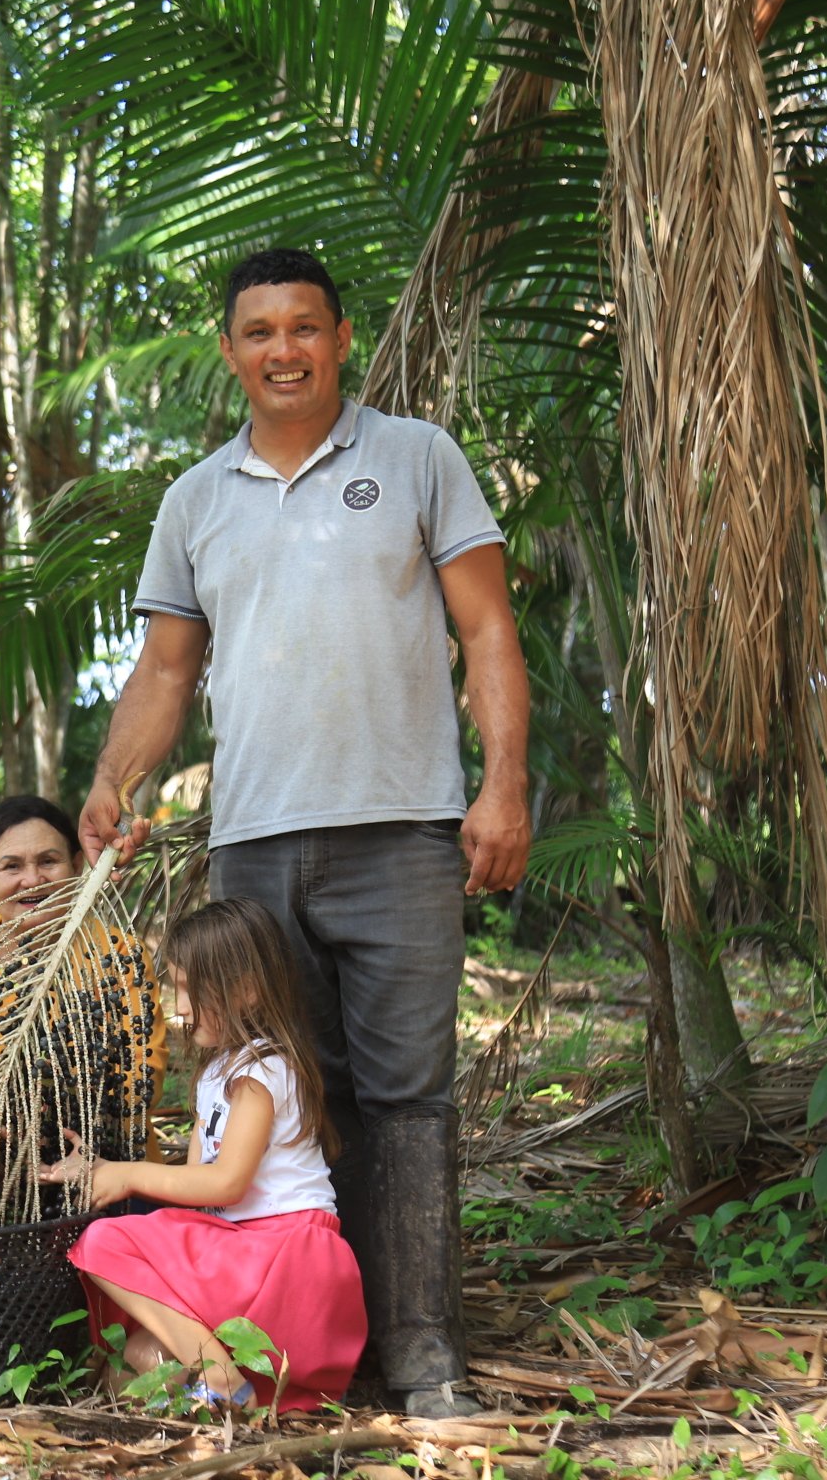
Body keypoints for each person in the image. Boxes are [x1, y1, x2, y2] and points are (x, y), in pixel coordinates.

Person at [78, 247, 531, 1417]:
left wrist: (506, 783)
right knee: (289, 1093)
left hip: (405, 832)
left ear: (341, 338)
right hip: (258, 845)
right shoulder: (195, 500)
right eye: (258, 331)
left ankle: (424, 1353)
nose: (284, 349)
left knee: (407, 1097)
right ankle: (312, 1342)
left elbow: (485, 629)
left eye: (305, 328)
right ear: (229, 351)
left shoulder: (418, 458)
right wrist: (114, 778)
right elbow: (167, 671)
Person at [38, 898, 365, 1413]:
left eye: (190, 989)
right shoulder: (217, 1073)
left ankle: (216, 1374)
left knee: (102, 1243)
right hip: (237, 1256)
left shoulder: (262, 1069)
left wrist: (126, 1176)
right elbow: (196, 1184)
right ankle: (227, 1400)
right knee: (130, 1362)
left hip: (285, 1263)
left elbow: (227, 1184)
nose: (181, 1006)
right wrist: (100, 1170)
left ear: (247, 990)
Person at [0, 795, 168, 1170]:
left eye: (48, 862)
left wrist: (74, 1121)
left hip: (103, 1164)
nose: (32, 879)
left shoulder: (119, 952)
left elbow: (144, 1069)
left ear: (75, 866)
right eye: (12, 866)